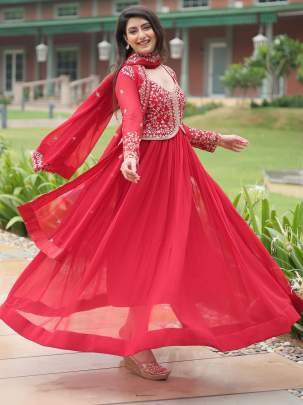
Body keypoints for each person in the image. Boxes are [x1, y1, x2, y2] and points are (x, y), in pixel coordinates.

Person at [0, 5, 302, 382]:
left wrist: (217, 139)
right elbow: (132, 118)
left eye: (145, 28)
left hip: (177, 169)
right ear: (124, 40)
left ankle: (151, 332)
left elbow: (172, 125)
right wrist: (129, 156)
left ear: (156, 30)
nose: (141, 35)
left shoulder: (168, 72)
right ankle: (137, 345)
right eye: (132, 32)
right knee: (139, 251)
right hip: (142, 174)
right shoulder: (128, 75)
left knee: (180, 247)